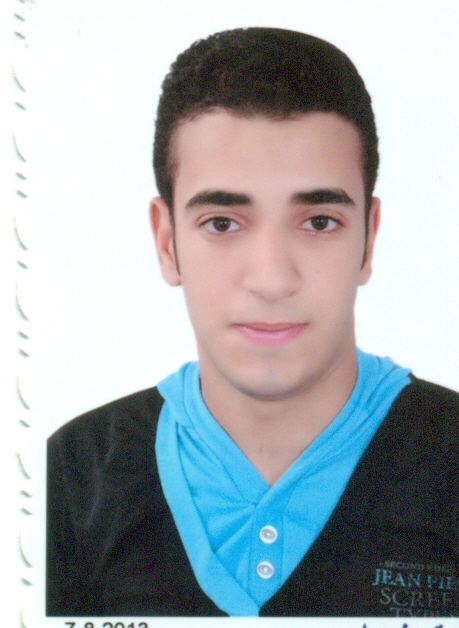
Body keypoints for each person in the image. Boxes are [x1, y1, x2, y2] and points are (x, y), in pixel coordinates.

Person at [47, 27, 459, 618]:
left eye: (319, 222)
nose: (271, 279)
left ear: (369, 240)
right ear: (167, 243)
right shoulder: (65, 477)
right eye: (222, 223)